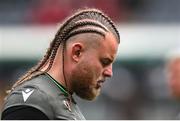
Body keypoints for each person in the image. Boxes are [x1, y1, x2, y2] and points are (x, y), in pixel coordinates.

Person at [1, 8, 120, 120]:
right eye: (105, 62)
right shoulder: (34, 101)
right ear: (77, 53)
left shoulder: (61, 100)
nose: (110, 72)